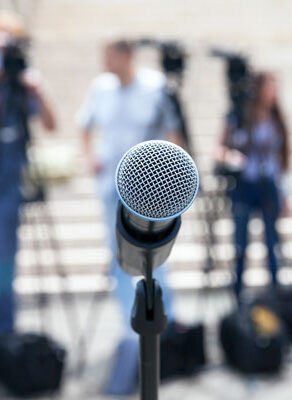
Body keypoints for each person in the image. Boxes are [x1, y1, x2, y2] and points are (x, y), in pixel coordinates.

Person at [77, 36, 183, 331]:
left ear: (126, 56)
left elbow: (174, 130)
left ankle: (166, 320)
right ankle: (129, 324)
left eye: (110, 56)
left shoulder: (155, 86)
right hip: (111, 183)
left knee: (157, 250)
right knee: (117, 253)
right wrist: (89, 158)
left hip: (148, 185)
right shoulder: (101, 88)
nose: (105, 63)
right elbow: (84, 125)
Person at [0, 11, 56, 333]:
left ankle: (5, 334)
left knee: (6, 263)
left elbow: (50, 125)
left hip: (10, 188)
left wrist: (37, 91)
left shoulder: (24, 84)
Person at [215, 72, 290, 299]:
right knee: (240, 243)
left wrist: (287, 193)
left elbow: (284, 159)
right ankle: (237, 295)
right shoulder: (238, 116)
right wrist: (231, 158)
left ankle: (276, 295)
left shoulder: (276, 118)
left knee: (272, 243)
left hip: (269, 184)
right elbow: (219, 148)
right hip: (244, 185)